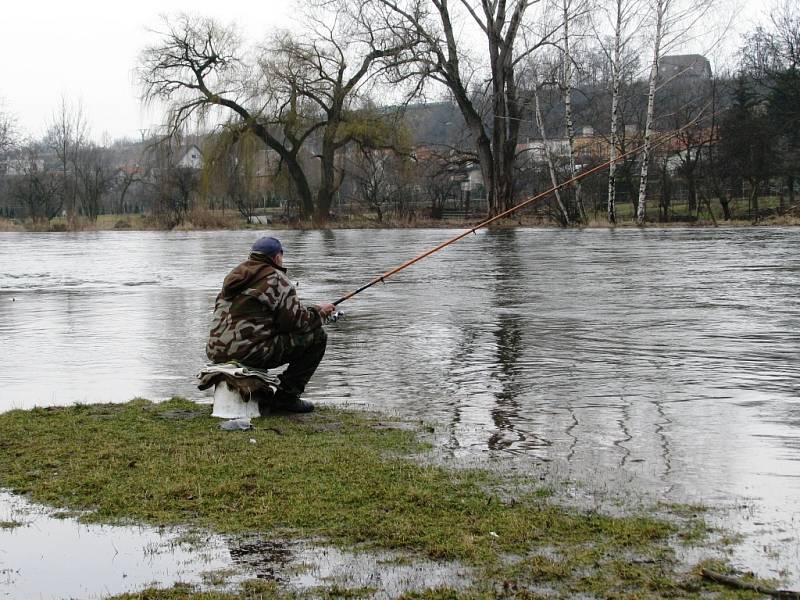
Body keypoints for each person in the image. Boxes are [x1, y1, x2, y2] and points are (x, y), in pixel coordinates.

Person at [206, 236, 335, 412]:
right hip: (249, 353)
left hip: (216, 352)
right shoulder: (276, 279)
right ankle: (286, 397)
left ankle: (263, 395)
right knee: (318, 337)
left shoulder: (235, 278)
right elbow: (296, 324)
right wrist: (319, 314)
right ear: (277, 257)